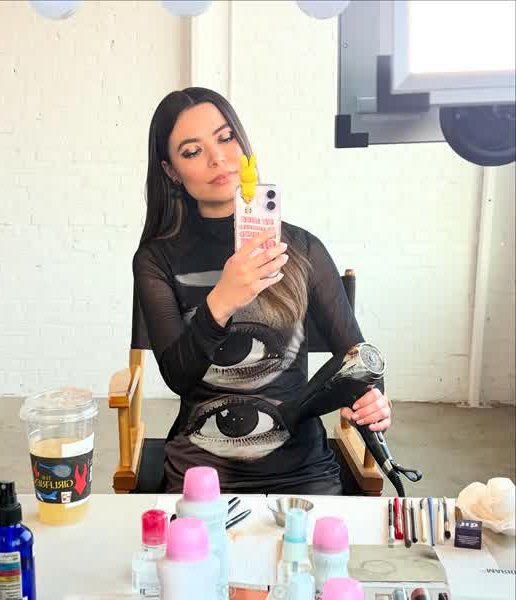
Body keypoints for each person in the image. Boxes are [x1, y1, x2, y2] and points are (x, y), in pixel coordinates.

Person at [133, 87, 392, 494]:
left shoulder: (302, 248)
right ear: (171, 171)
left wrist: (373, 399)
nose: (218, 158)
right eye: (192, 151)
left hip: (303, 470)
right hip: (202, 473)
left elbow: (356, 359)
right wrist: (221, 301)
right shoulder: (156, 259)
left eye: (225, 138)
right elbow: (179, 378)